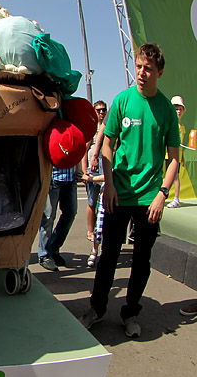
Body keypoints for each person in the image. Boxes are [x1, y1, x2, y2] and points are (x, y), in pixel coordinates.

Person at [79, 43, 180, 338]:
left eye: (148, 69)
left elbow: (174, 158)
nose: (141, 73)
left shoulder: (166, 110)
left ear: (159, 72)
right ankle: (96, 309)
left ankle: (131, 312)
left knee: (141, 260)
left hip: (149, 198)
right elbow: (107, 144)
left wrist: (162, 193)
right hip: (118, 193)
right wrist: (108, 184)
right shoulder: (122, 100)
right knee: (108, 256)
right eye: (138, 66)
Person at [38, 162, 80, 272]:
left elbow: (78, 149)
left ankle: (53, 247)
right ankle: (44, 255)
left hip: (70, 178)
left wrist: (79, 168)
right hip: (53, 177)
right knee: (48, 217)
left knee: (70, 213)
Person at [84, 100, 107, 242]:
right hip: (93, 170)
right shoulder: (91, 128)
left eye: (104, 110)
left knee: (104, 202)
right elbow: (84, 150)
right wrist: (84, 171)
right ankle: (91, 231)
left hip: (106, 169)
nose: (102, 112)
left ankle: (102, 230)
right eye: (98, 110)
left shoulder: (109, 127)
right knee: (92, 201)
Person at [167, 95, 186, 208]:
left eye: (180, 109)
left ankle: (176, 199)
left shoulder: (182, 127)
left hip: (175, 157)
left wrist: (181, 157)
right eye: (175, 108)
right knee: (160, 176)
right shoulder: (169, 124)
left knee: (176, 176)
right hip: (165, 155)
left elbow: (180, 145)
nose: (178, 111)